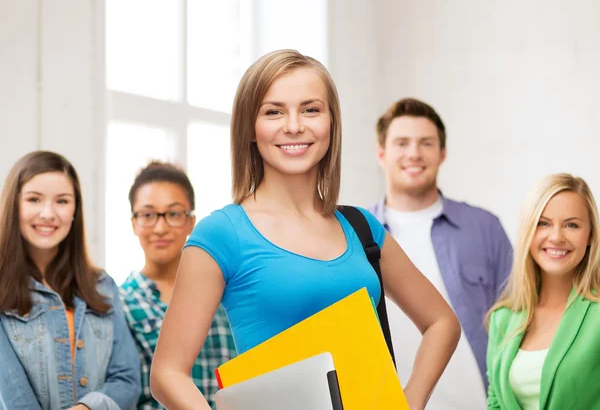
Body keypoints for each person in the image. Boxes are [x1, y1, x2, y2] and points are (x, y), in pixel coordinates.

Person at [149, 49, 461, 410]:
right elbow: (167, 374)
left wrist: (409, 403)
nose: (294, 125)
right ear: (250, 128)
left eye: (311, 109)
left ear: (331, 123)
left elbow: (442, 322)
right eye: (273, 111)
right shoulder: (222, 233)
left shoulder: (362, 228)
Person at [368, 97, 513, 408]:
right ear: (381, 154)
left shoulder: (485, 228)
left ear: (442, 153)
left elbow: (520, 320)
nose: (414, 154)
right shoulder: (355, 234)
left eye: (426, 143)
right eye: (402, 143)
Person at [0, 151, 140, 410]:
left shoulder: (103, 286)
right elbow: (13, 395)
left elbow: (128, 380)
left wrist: (86, 408)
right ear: (14, 205)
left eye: (62, 201)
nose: (48, 213)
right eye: (34, 199)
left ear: (75, 209)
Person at [120, 161, 236, 409]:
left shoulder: (223, 297)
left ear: (191, 222)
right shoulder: (119, 305)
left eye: (173, 214)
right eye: (148, 215)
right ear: (134, 223)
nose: (160, 228)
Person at [486, 174, 600, 409]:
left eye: (572, 225)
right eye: (543, 223)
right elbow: (496, 400)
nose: (557, 237)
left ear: (590, 235)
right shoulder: (503, 318)